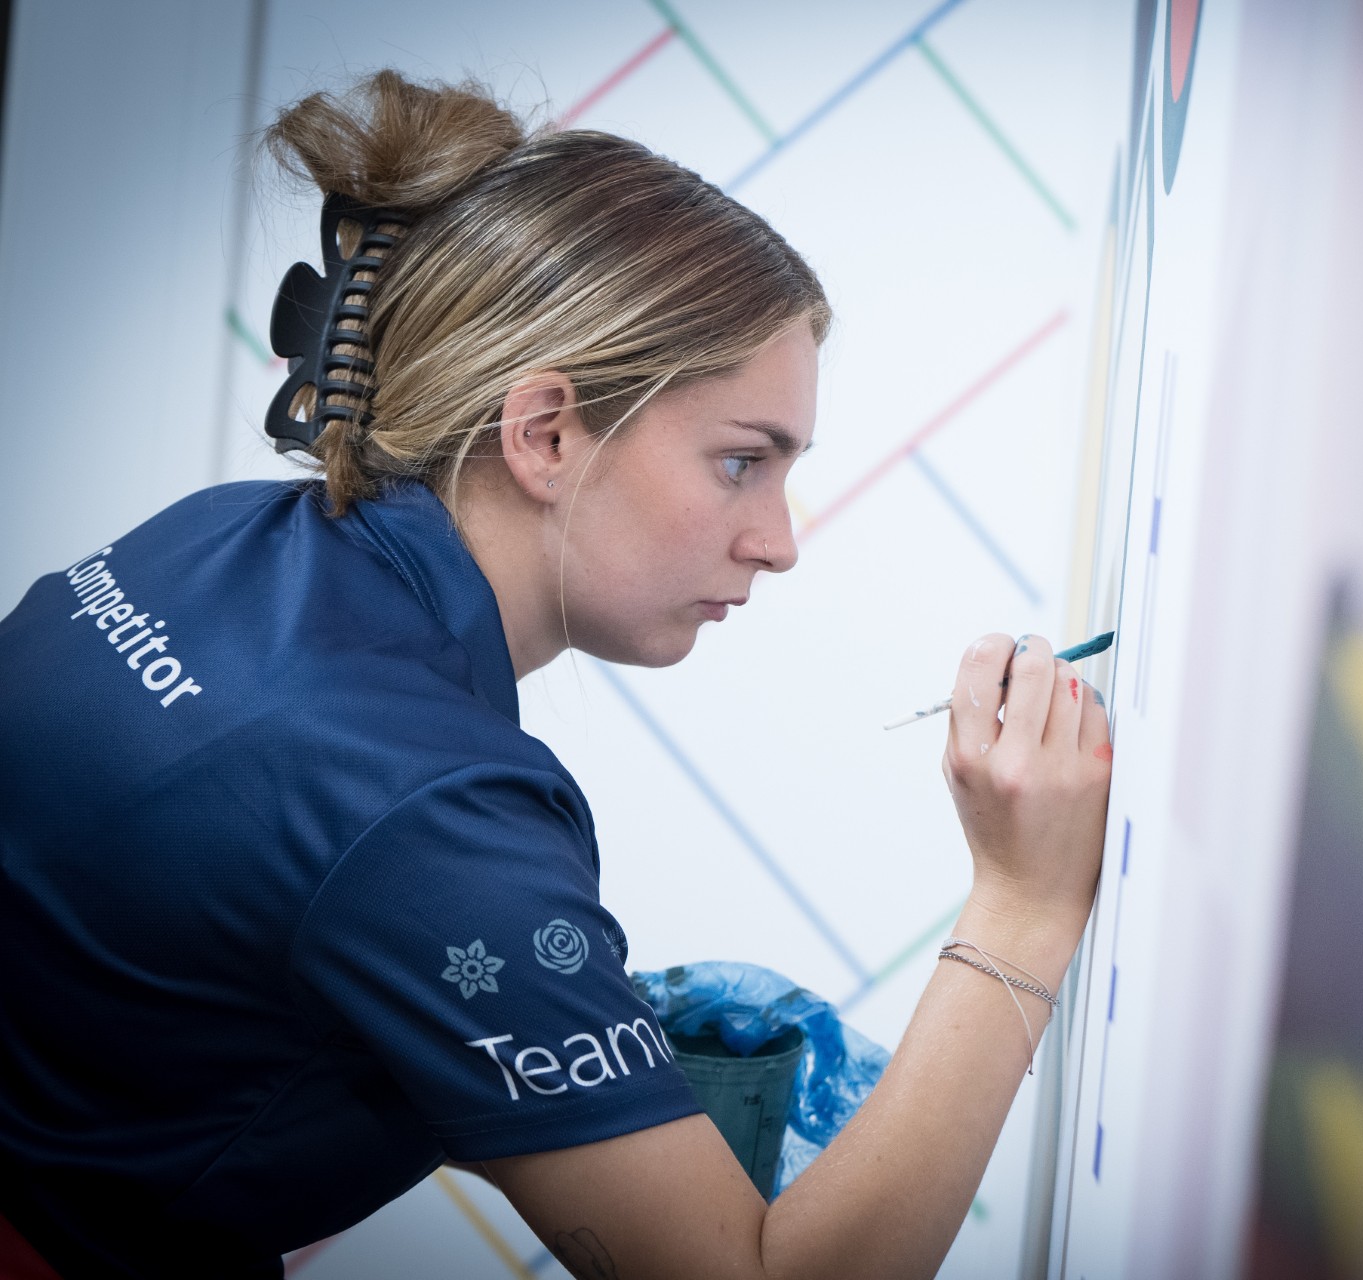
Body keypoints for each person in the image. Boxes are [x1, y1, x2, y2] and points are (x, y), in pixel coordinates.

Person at [0, 71, 1111, 1278]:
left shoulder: (216, 538)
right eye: (743, 461)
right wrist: (1024, 903)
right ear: (545, 435)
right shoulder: (427, 804)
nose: (779, 540)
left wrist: (521, 1022)